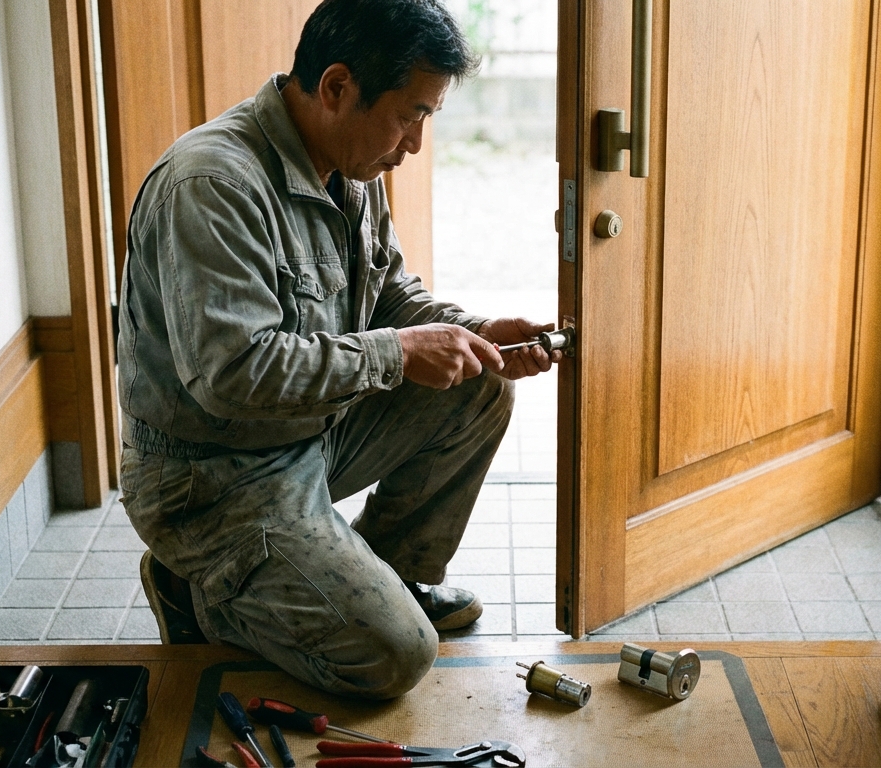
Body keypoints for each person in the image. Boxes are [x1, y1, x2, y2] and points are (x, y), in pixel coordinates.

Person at [116, 0, 558, 700]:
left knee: (481, 382)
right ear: (336, 87)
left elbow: (387, 295)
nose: (413, 143)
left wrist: (473, 331)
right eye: (410, 114)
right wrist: (397, 353)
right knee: (395, 659)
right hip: (212, 477)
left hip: (308, 435)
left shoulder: (353, 168)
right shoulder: (212, 184)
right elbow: (231, 374)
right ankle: (197, 590)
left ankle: (384, 574)